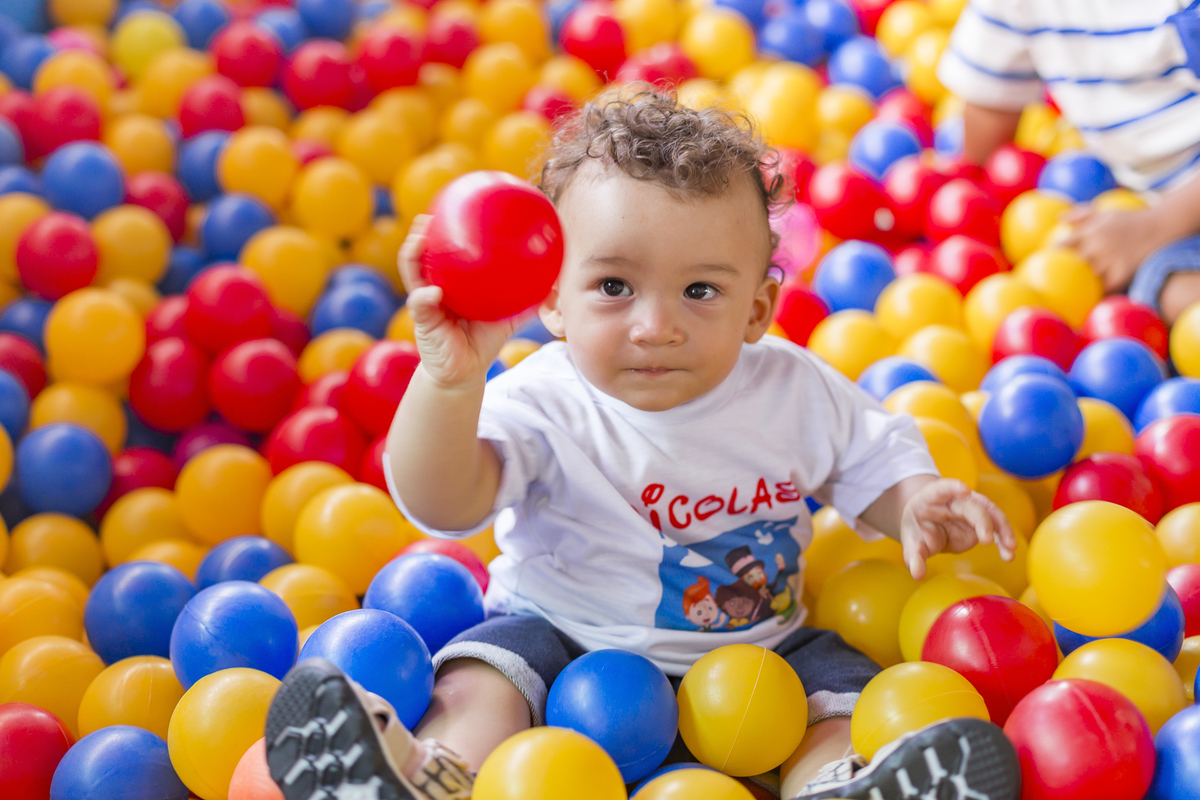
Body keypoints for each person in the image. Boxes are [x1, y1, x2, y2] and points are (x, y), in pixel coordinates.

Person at [262, 88, 1020, 800]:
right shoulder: (545, 398)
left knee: (836, 689)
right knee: (487, 673)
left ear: (757, 309)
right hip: (565, 639)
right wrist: (451, 383)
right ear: (552, 298)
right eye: (616, 287)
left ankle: (836, 780)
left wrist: (913, 502)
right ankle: (438, 772)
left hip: (758, 660)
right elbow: (441, 501)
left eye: (700, 292)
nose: (656, 325)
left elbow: (869, 455)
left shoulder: (792, 389)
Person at [938, 0, 1200, 322]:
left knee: (1179, 296)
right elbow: (990, 105)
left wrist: (1154, 226)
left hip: (1176, 207)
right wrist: (969, 208)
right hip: (1147, 199)